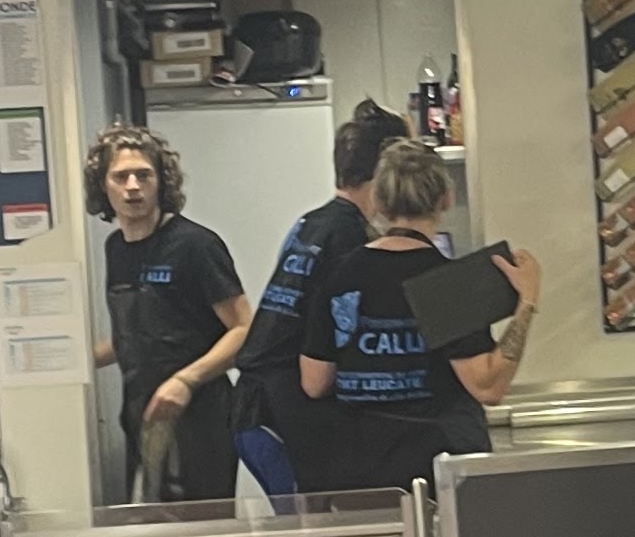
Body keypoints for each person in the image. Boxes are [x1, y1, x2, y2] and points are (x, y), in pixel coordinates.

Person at [295, 139, 539, 493]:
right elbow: (488, 386)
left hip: (358, 469)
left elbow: (314, 382)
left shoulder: (339, 274)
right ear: (446, 199)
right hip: (434, 474)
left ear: (378, 201)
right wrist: (527, 302)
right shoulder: (447, 282)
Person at [230, 100, 410, 499]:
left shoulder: (311, 223)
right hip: (280, 413)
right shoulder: (350, 239)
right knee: (312, 531)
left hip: (255, 405)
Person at [85, 122, 250, 503]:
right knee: (148, 521)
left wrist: (186, 380)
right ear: (103, 186)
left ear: (161, 182)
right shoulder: (115, 249)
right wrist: (77, 361)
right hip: (141, 412)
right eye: (120, 177)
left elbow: (244, 329)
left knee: (200, 526)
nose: (132, 187)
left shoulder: (195, 245)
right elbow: (139, 333)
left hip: (200, 415)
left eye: (143, 175)